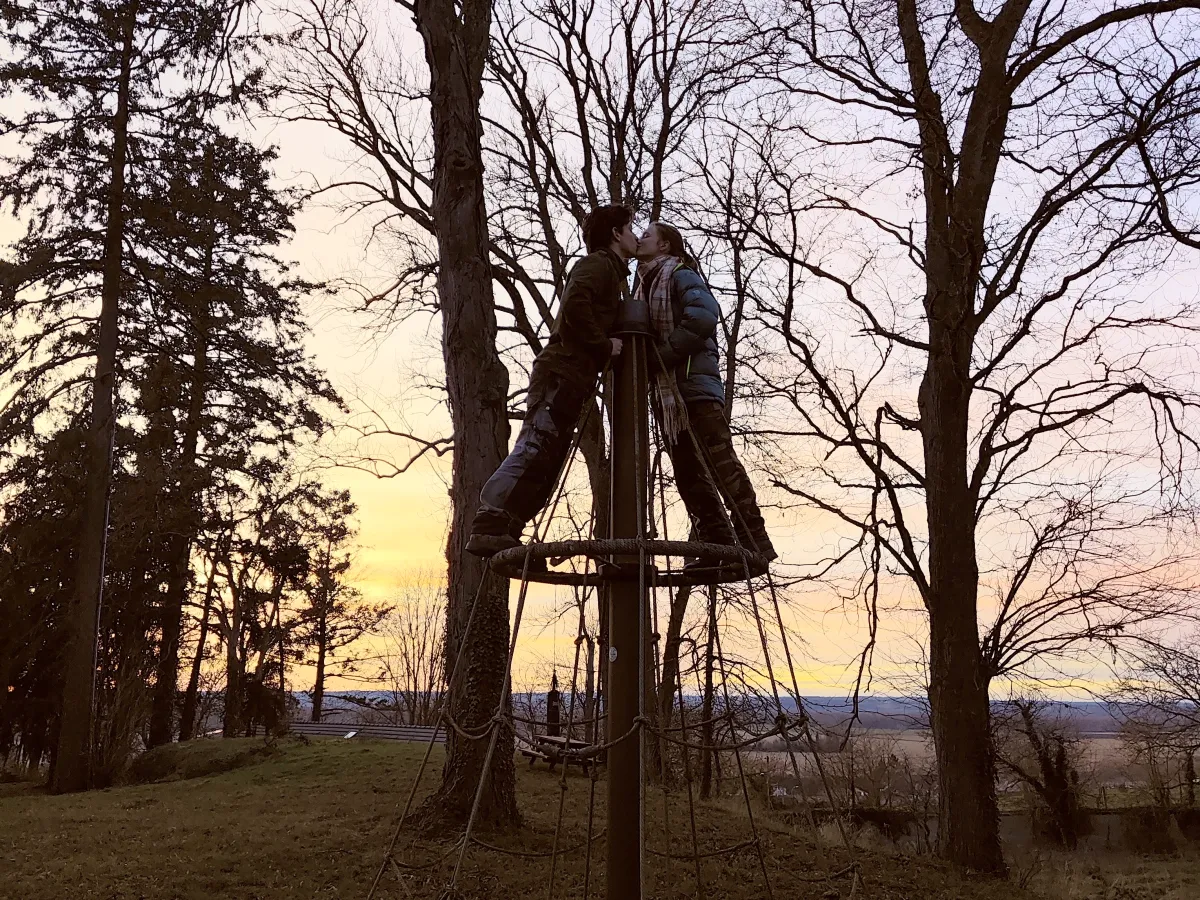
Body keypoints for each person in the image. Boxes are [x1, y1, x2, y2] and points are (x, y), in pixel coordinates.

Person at [466, 204, 638, 557]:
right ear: (617, 233)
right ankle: (489, 519)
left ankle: (508, 527)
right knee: (535, 445)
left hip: (573, 378)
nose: (636, 236)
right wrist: (603, 344)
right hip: (560, 372)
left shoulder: (612, 273)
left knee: (548, 460)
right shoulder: (597, 265)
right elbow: (575, 304)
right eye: (631, 228)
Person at [634, 221, 776, 560]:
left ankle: (753, 538)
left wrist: (662, 356)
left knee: (719, 461)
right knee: (688, 471)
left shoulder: (680, 274)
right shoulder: (645, 284)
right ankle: (717, 541)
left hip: (693, 386)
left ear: (665, 246)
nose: (640, 240)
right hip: (669, 397)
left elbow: (703, 316)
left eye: (647, 236)